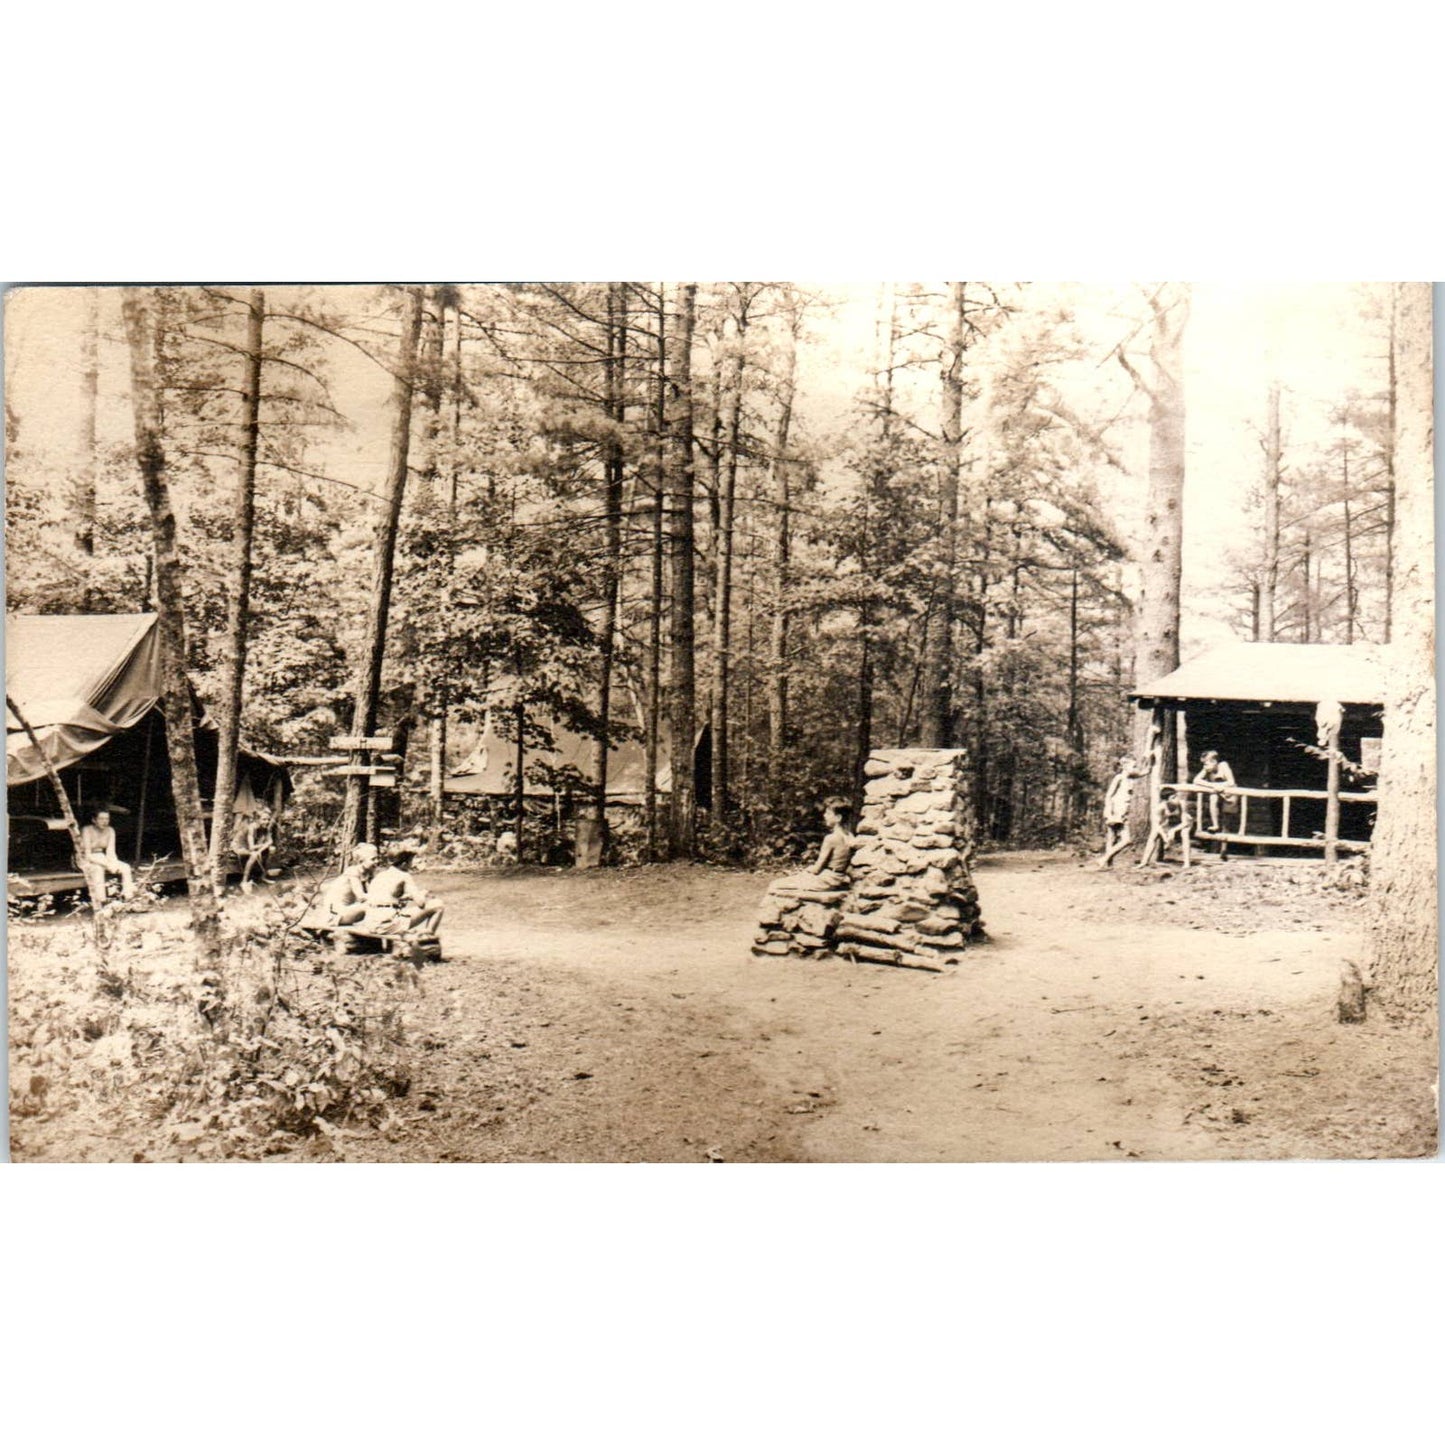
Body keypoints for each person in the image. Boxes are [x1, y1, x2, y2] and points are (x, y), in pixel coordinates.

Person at [360, 842, 445, 937]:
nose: (412, 864)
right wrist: (422, 894)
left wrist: (407, 897)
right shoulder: (404, 876)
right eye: (411, 861)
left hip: (370, 923)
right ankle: (428, 935)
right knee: (438, 905)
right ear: (404, 864)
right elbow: (421, 904)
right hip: (386, 925)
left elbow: (387, 898)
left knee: (397, 913)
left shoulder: (380, 875)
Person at [773, 796, 856, 894]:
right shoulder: (850, 836)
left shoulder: (831, 838)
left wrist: (804, 872)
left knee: (775, 884)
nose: (825, 816)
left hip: (826, 880)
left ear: (838, 818)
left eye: (828, 813)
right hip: (839, 878)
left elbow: (817, 869)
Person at [79, 807, 136, 902]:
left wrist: (113, 863)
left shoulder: (110, 830)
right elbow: (87, 855)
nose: (104, 821)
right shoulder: (86, 830)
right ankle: (101, 901)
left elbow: (111, 852)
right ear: (94, 820)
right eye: (101, 819)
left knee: (125, 867)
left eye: (107, 819)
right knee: (98, 869)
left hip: (101, 856)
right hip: (84, 858)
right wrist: (107, 865)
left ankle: (128, 897)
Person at [318, 841, 379, 928]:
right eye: (373, 859)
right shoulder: (352, 872)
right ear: (361, 861)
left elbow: (372, 892)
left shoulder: (367, 873)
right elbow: (361, 896)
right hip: (335, 914)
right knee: (370, 906)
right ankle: (375, 927)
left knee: (377, 906)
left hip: (346, 910)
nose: (377, 861)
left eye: (378, 858)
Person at [1100, 756, 1145, 868]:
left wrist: (1150, 755)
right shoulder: (1119, 778)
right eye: (1133, 766)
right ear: (1125, 766)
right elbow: (1109, 795)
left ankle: (1107, 863)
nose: (1135, 768)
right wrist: (1108, 810)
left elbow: (1145, 771)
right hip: (1116, 809)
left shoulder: (1131, 778)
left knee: (1113, 837)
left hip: (1123, 810)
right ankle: (1105, 859)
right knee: (1124, 839)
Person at [1192, 750, 1237, 833]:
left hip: (1229, 793)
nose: (1204, 767)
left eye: (1206, 764)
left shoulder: (1223, 765)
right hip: (1218, 792)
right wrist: (1213, 785)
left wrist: (1220, 786)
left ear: (1214, 762)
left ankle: (1225, 830)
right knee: (1213, 798)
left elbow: (1231, 782)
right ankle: (1215, 825)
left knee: (1227, 815)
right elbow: (1196, 780)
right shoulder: (1207, 769)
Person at [238, 803, 276, 893]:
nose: (266, 822)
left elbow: (270, 841)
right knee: (254, 854)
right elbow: (251, 847)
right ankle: (244, 881)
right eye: (263, 819)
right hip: (241, 847)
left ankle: (263, 876)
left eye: (268, 819)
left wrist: (261, 849)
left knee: (272, 849)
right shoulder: (252, 828)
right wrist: (261, 848)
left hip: (255, 848)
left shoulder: (265, 828)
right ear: (257, 820)